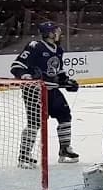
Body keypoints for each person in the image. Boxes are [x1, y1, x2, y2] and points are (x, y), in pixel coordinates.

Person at [10, 21, 79, 167]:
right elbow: (16, 66)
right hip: (34, 91)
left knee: (65, 115)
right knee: (35, 122)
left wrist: (67, 82)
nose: (59, 33)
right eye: (56, 31)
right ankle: (24, 156)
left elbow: (59, 72)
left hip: (51, 90)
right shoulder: (35, 46)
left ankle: (65, 149)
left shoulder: (58, 50)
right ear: (49, 33)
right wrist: (27, 77)